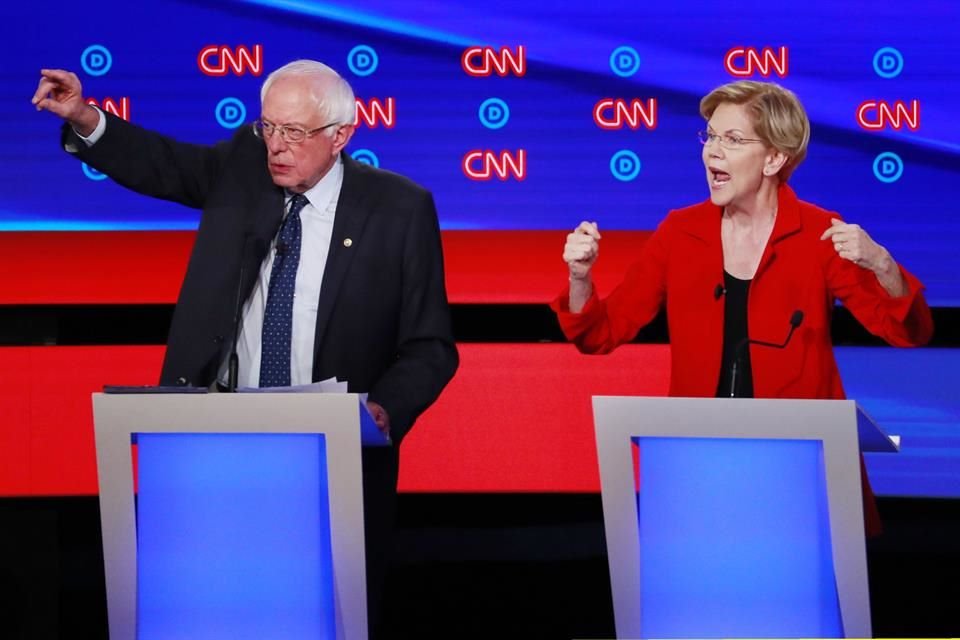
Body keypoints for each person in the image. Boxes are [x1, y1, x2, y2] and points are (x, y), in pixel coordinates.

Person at [33, 60, 459, 635]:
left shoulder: (398, 209)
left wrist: (383, 409)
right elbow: (161, 163)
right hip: (216, 447)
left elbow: (430, 345)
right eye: (269, 127)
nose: (276, 147)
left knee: (320, 617)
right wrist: (85, 117)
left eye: (295, 133)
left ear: (341, 135)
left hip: (332, 455)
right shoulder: (243, 170)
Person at [553, 80, 933, 534]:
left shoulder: (819, 234)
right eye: (710, 136)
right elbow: (598, 334)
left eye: (732, 140)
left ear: (774, 158)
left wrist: (883, 264)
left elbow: (907, 332)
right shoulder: (680, 233)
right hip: (700, 465)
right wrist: (580, 276)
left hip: (799, 466)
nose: (712, 152)